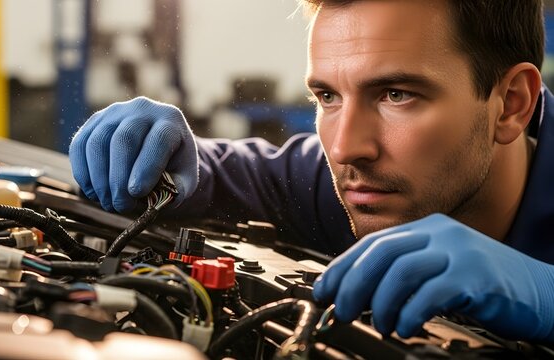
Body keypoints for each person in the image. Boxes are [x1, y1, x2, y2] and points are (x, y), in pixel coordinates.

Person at [69, 0, 554, 343]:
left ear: (511, 104)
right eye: (328, 96)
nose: (345, 148)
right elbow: (235, 175)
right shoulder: (359, 183)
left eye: (396, 95)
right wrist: (163, 154)